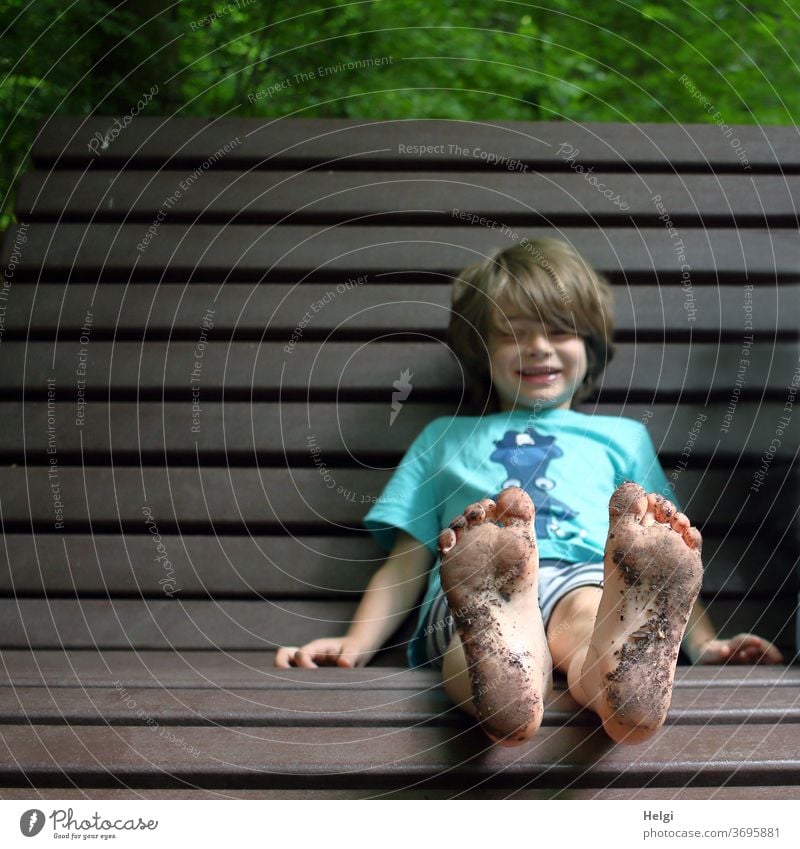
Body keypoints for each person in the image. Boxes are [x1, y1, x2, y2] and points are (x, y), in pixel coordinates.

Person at [274, 237, 783, 747]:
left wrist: (703, 641)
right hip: (474, 580)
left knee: (595, 613)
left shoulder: (620, 436)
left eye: (559, 332)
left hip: (589, 575)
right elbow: (408, 562)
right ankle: (514, 681)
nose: (538, 347)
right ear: (481, 351)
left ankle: (621, 692)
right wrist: (355, 643)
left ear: (590, 345)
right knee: (468, 641)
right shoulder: (443, 438)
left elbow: (661, 555)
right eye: (514, 335)